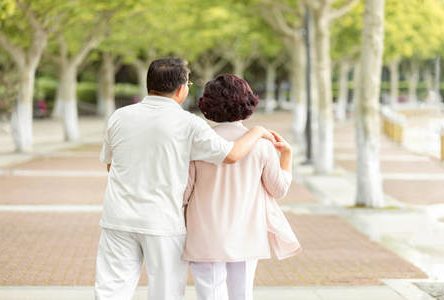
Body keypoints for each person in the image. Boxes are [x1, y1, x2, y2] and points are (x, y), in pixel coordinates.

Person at [94, 59, 276, 300]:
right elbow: (231, 155)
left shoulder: (119, 117)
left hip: (117, 217)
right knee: (165, 292)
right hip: (162, 221)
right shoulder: (189, 123)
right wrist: (258, 132)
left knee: (111, 289)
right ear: (181, 89)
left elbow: (110, 164)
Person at [183, 74, 301, 300]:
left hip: (204, 232)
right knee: (242, 295)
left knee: (208, 294)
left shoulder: (199, 142)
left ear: (207, 104)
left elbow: (184, 193)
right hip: (246, 231)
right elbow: (278, 190)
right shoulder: (262, 145)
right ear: (248, 102)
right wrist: (287, 155)